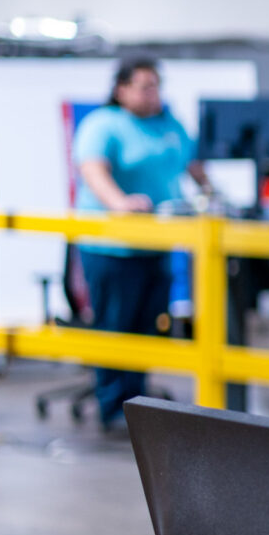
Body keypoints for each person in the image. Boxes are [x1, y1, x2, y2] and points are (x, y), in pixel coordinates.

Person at [73, 56, 211, 429]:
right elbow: (93, 171)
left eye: (157, 86)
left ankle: (137, 403)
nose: (153, 94)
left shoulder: (169, 124)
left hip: (157, 244)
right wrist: (120, 204)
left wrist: (212, 194)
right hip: (112, 249)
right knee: (117, 325)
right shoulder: (104, 124)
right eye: (145, 86)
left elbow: (193, 165)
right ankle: (113, 405)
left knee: (149, 325)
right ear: (122, 89)